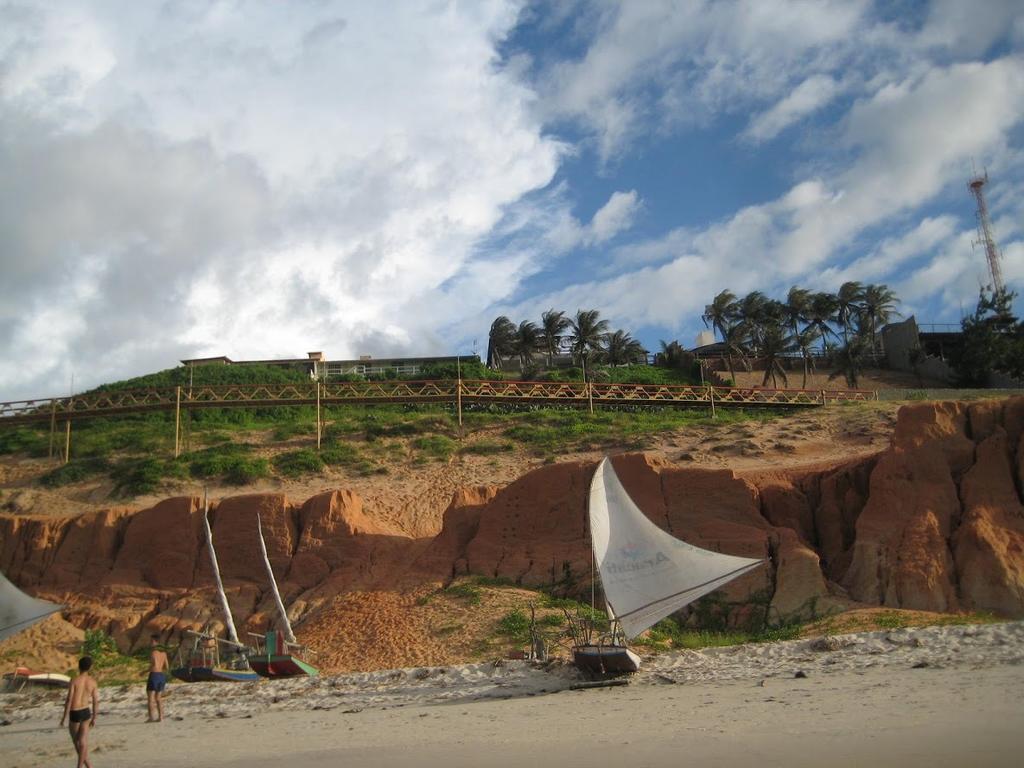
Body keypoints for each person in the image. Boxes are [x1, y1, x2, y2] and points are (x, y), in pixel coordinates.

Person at [60, 656, 98, 768]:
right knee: (83, 742)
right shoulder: (93, 682)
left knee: (77, 743)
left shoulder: (74, 681)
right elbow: (96, 701)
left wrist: (63, 718)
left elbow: (69, 700)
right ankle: (88, 766)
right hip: (86, 712)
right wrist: (95, 717)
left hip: (75, 712)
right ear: (90, 667)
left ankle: (80, 766)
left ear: (79, 666)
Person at [146, 634, 169, 723]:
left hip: (154, 675)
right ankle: (161, 717)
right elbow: (167, 667)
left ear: (156, 642)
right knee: (158, 698)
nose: (150, 643)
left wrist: (143, 672)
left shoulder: (153, 653)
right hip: (161, 676)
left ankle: (151, 718)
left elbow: (153, 665)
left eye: (151, 641)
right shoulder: (164, 654)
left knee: (150, 698)